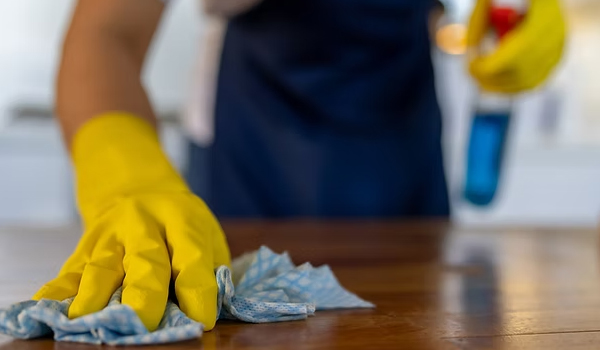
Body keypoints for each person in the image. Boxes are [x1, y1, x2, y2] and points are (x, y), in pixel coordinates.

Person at [33, 0, 566, 333]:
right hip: (257, 149)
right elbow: (107, 33)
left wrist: (486, 32)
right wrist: (126, 175)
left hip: (403, 155)